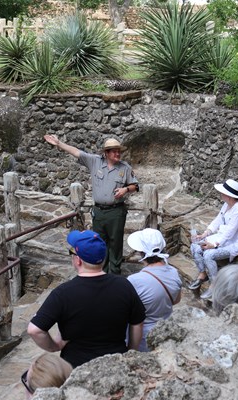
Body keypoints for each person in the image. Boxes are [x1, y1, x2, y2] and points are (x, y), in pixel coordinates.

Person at [27, 230, 146, 367]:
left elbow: (34, 330)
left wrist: (54, 346)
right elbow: (137, 322)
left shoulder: (63, 293)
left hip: (75, 366)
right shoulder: (124, 285)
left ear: (78, 260)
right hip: (116, 363)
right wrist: (131, 351)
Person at [44, 134, 139, 274]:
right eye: (114, 151)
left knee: (116, 243)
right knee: (100, 243)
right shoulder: (95, 161)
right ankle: (103, 271)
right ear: (106, 153)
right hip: (99, 212)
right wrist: (59, 143)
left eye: (119, 150)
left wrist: (125, 189)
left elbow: (135, 186)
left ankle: (115, 273)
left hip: (116, 212)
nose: (117, 153)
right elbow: (76, 152)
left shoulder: (125, 168)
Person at [188, 179, 238, 300]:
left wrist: (215, 244)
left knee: (208, 255)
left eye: (223, 192)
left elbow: (231, 231)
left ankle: (215, 284)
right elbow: (218, 220)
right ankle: (202, 273)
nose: (221, 194)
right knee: (195, 246)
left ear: (229, 196)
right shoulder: (227, 204)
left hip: (235, 242)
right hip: (223, 237)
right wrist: (205, 234)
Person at [126, 228, 182, 352]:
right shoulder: (174, 272)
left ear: (141, 252)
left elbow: (127, 313)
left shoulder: (134, 280)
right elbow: (177, 300)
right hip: (165, 331)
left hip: (143, 338)